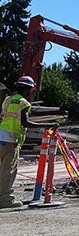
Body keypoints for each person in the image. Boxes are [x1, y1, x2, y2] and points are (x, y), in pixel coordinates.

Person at [0, 76, 52, 208]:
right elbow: (25, 122)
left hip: (1, 136)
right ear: (28, 90)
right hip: (10, 139)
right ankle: (5, 199)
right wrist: (48, 125)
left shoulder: (7, 99)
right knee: (8, 170)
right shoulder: (23, 103)